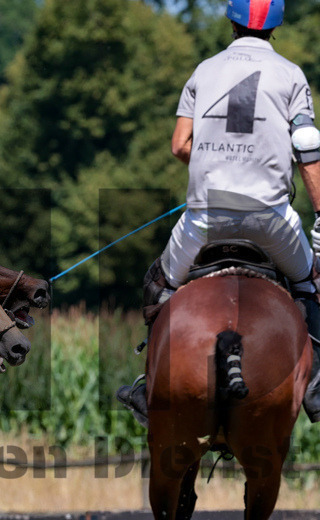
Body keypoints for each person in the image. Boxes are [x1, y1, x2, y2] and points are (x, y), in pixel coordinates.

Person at [118, 0, 320, 425]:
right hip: (272, 220)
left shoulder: (204, 71)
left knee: (160, 284)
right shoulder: (292, 76)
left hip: (205, 217)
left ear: (231, 21)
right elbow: (307, 147)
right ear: (275, 27)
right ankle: (316, 385)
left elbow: (179, 145)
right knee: (310, 285)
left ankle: (147, 385)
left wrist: (219, 164)